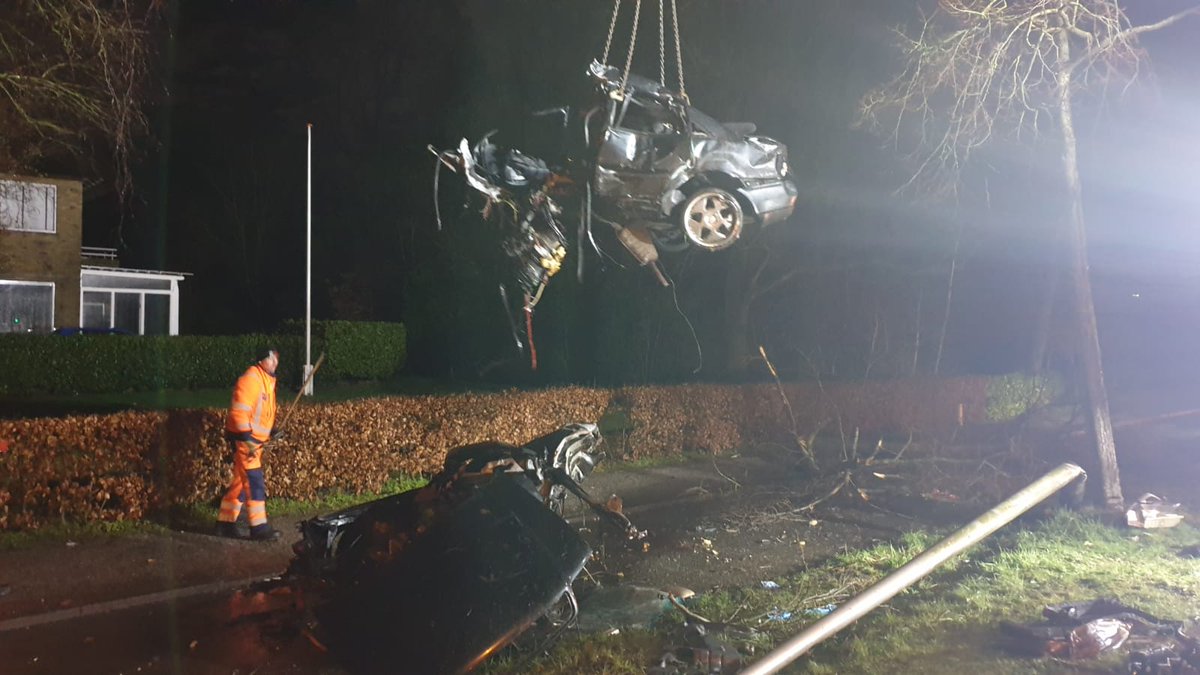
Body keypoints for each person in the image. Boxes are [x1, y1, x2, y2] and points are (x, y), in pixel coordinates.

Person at [215, 348, 283, 541]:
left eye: (276, 358)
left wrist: (271, 431)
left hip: (252, 441)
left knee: (239, 483)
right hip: (246, 442)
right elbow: (238, 414)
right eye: (271, 359)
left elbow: (260, 415)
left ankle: (225, 523)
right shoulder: (252, 380)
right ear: (262, 360)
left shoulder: (266, 381)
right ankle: (259, 528)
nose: (275, 362)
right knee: (254, 483)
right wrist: (248, 441)